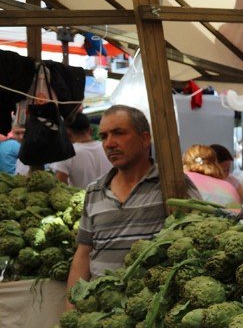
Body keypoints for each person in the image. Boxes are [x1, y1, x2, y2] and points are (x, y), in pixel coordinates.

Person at [67, 105, 200, 292]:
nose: (109, 144)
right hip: (99, 310)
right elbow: (83, 254)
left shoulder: (172, 186)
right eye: (103, 136)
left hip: (150, 307)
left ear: (145, 139)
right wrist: (71, 307)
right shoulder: (94, 191)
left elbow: (197, 239)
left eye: (118, 133)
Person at [49, 112, 111, 188]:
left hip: (84, 199)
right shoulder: (107, 147)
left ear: (67, 134)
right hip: (112, 196)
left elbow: (60, 187)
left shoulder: (66, 154)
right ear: (90, 130)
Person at [182, 144, 241, 209]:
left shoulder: (183, 180)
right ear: (216, 164)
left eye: (227, 170)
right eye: (225, 170)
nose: (227, 173)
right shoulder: (229, 186)